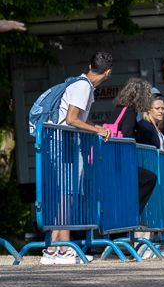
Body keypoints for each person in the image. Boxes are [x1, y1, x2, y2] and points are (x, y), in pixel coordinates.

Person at [41, 51, 114, 265]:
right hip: (65, 144)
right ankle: (64, 249)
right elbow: (71, 119)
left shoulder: (80, 83)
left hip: (61, 143)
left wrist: (93, 127)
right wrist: (97, 131)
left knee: (65, 195)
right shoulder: (83, 87)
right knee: (67, 196)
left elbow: (75, 117)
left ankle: (52, 250)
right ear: (108, 72)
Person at [110, 77, 158, 216]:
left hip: (112, 159)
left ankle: (127, 213)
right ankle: (131, 213)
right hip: (120, 160)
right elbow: (126, 134)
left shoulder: (119, 109)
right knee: (150, 179)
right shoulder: (130, 112)